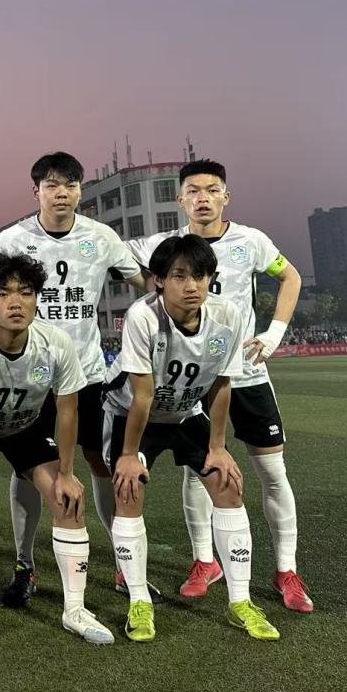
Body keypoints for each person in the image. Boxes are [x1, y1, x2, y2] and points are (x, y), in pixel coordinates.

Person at [127, 159, 312, 613]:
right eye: (193, 190)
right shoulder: (164, 245)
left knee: (272, 472)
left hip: (246, 374)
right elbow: (119, 258)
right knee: (198, 472)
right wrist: (151, 293)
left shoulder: (251, 241)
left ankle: (286, 570)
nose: (203, 198)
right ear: (180, 200)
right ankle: (205, 561)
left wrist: (274, 333)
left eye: (212, 189)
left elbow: (290, 277)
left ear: (226, 197)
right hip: (192, 382)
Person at [0, 152, 146, 606]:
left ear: (80, 191)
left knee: (100, 462)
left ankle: (123, 564)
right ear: (35, 191)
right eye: (52, 185)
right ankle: (25, 565)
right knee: (29, 467)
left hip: (88, 375)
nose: (61, 193)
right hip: (29, 377)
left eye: (70, 185)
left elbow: (146, 285)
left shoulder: (101, 237)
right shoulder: (11, 241)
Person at [106, 234, 279, 642]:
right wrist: (129, 455)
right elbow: (142, 395)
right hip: (135, 415)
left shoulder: (227, 315)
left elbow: (221, 384)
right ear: (159, 280)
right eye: (179, 276)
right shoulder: (142, 316)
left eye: (200, 276)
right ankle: (139, 602)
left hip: (186, 412)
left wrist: (218, 448)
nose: (191, 286)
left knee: (228, 484)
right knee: (129, 490)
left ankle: (240, 602)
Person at [0, 252, 113, 650]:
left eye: (26, 292)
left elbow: (67, 409)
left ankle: (75, 610)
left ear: (37, 298)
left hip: (25, 426)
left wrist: (66, 473)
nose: (15, 302)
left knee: (68, 499)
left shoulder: (56, 343)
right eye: (3, 293)